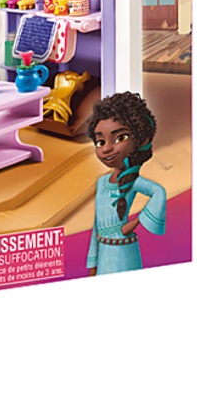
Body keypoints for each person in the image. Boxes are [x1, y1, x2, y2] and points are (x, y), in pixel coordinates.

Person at [86, 91, 166, 275]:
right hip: (104, 254)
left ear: (140, 140)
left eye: (120, 138)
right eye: (100, 142)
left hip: (124, 252)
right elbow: (96, 224)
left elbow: (158, 192)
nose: (106, 149)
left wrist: (135, 223)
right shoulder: (102, 183)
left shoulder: (134, 181)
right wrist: (93, 262)